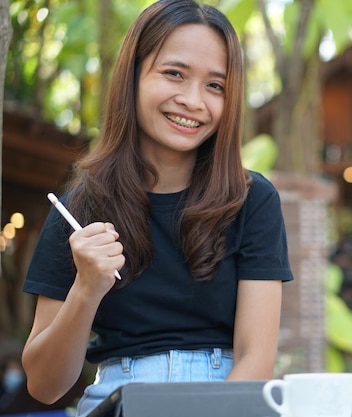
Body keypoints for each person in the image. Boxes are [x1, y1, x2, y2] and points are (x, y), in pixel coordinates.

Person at [20, 1, 293, 416]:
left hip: (225, 402)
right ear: (133, 77)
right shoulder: (80, 209)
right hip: (118, 401)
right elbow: (44, 385)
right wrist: (87, 288)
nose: (193, 101)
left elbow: (256, 360)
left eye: (215, 86)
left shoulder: (253, 200)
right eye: (174, 74)